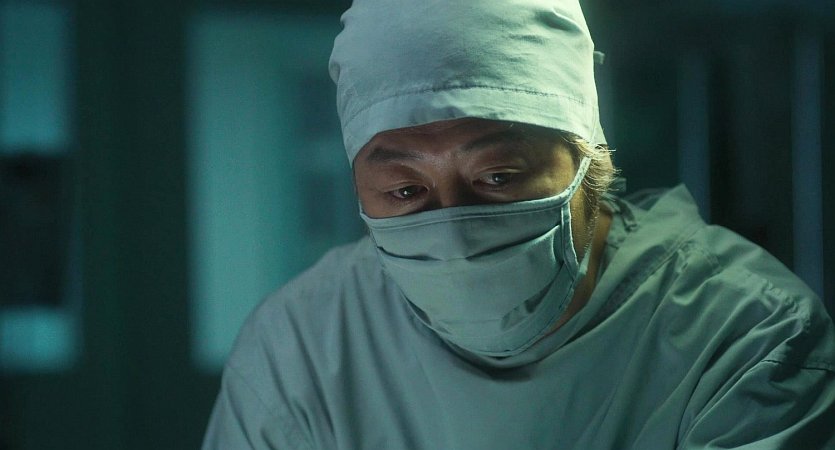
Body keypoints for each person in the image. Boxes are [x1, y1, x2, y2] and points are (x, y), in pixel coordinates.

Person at [202, 1, 835, 448]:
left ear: (588, 159)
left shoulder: (747, 337)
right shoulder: (301, 352)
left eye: (497, 176)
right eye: (405, 190)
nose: (453, 231)